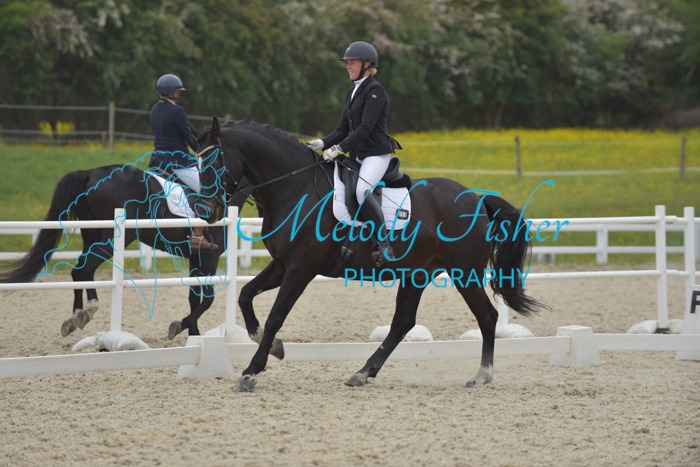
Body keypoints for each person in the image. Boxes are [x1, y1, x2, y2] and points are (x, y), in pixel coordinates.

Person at [307, 41, 396, 265]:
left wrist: (339, 149)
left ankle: (384, 244)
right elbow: (342, 129)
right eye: (347, 62)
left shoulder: (376, 91)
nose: (348, 66)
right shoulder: (353, 91)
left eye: (352, 62)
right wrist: (322, 142)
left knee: (362, 190)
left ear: (367, 64)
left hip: (375, 154)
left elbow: (365, 128)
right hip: (357, 154)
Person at [149, 74, 217, 250]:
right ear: (172, 92)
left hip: (158, 160)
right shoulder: (177, 111)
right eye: (178, 91)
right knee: (207, 190)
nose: (179, 94)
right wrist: (202, 150)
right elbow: (188, 136)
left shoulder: (155, 108)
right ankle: (198, 235)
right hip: (178, 162)